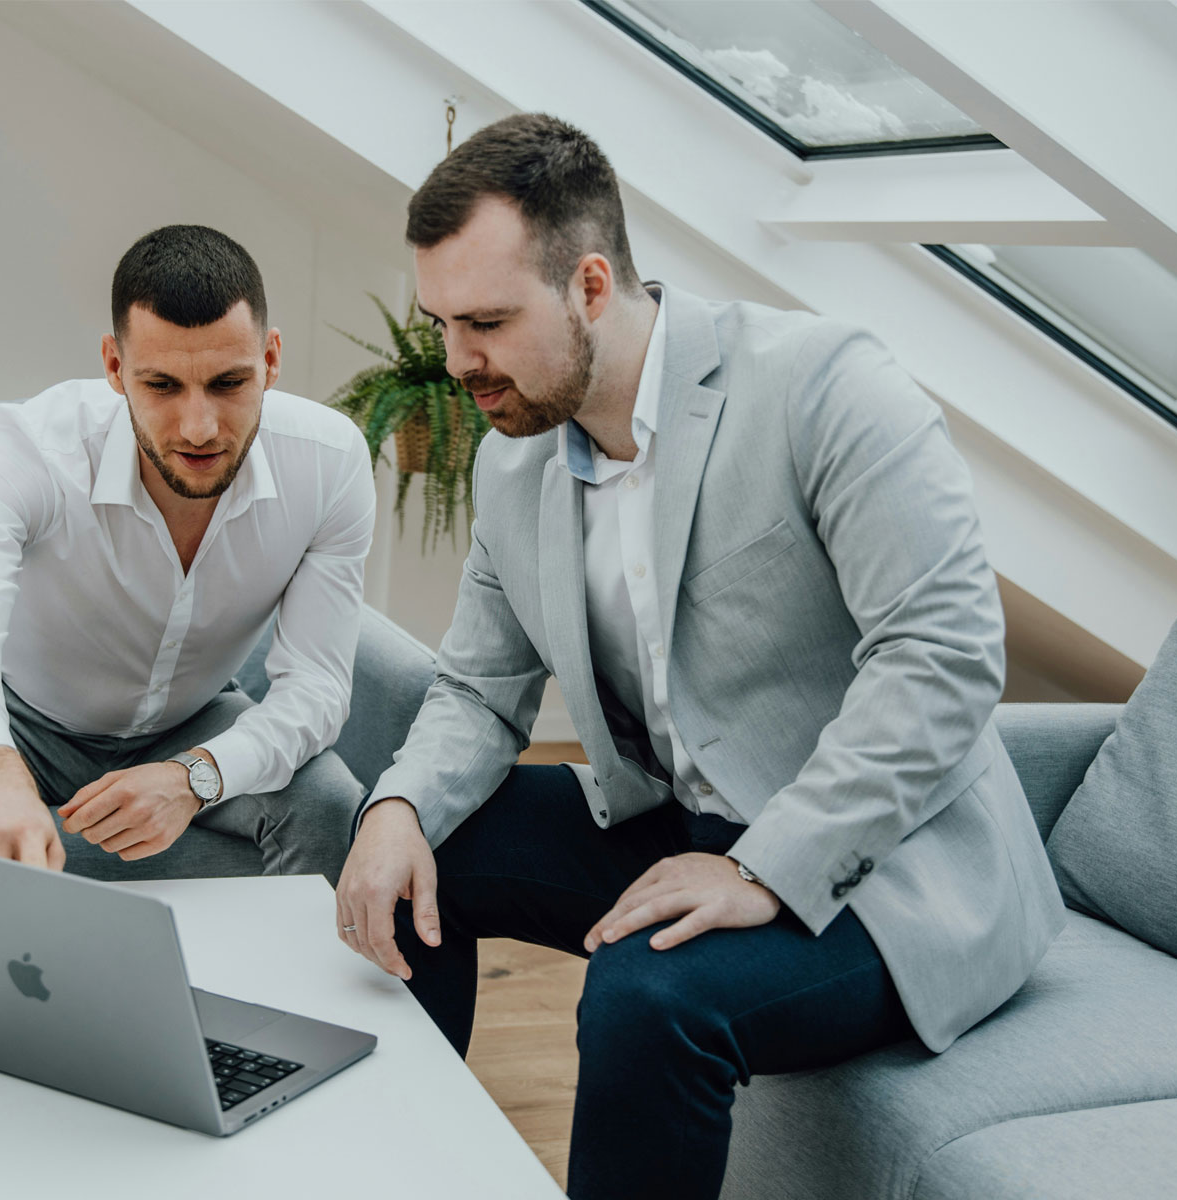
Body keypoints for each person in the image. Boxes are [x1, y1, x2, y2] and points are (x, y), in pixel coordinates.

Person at [334, 115, 1065, 1199]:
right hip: (681, 825)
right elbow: (480, 694)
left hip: (889, 871)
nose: (457, 364)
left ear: (590, 285)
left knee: (645, 996)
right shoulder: (514, 466)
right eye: (442, 323)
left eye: (486, 321)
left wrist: (763, 866)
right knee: (408, 862)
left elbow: (943, 657)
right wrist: (394, 809)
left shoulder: (823, 386)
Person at [0, 224, 374, 891]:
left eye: (229, 383)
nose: (199, 427)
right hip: (21, 715)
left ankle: (288, 994)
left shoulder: (331, 462)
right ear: (115, 368)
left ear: (272, 359)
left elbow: (316, 688)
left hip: (193, 720)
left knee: (329, 802)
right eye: (163, 386)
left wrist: (194, 777)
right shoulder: (29, 445)